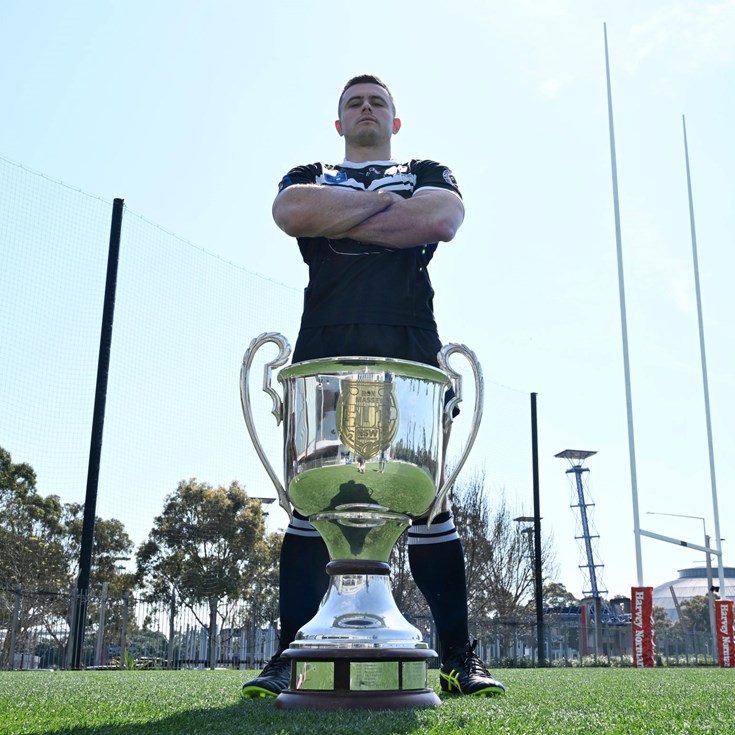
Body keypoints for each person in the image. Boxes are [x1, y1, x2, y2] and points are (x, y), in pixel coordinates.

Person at [242, 74, 505, 699]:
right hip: (325, 334)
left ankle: (458, 659)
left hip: (408, 333)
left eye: (377, 102)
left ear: (395, 120)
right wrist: (392, 211)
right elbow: (294, 213)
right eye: (354, 103)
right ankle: (290, 657)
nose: (366, 108)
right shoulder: (310, 170)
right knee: (310, 500)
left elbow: (440, 220)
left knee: (430, 499)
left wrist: (345, 220)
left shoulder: (428, 169)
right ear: (339, 124)